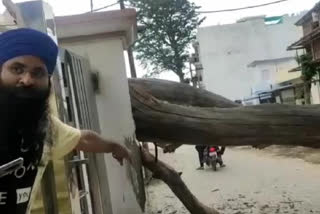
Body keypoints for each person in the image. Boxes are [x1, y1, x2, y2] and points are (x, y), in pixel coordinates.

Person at [0, 28, 131, 214]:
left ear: (48, 82)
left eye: (38, 73)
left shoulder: (45, 130)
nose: (27, 80)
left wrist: (115, 147)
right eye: (17, 69)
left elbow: (82, 139)